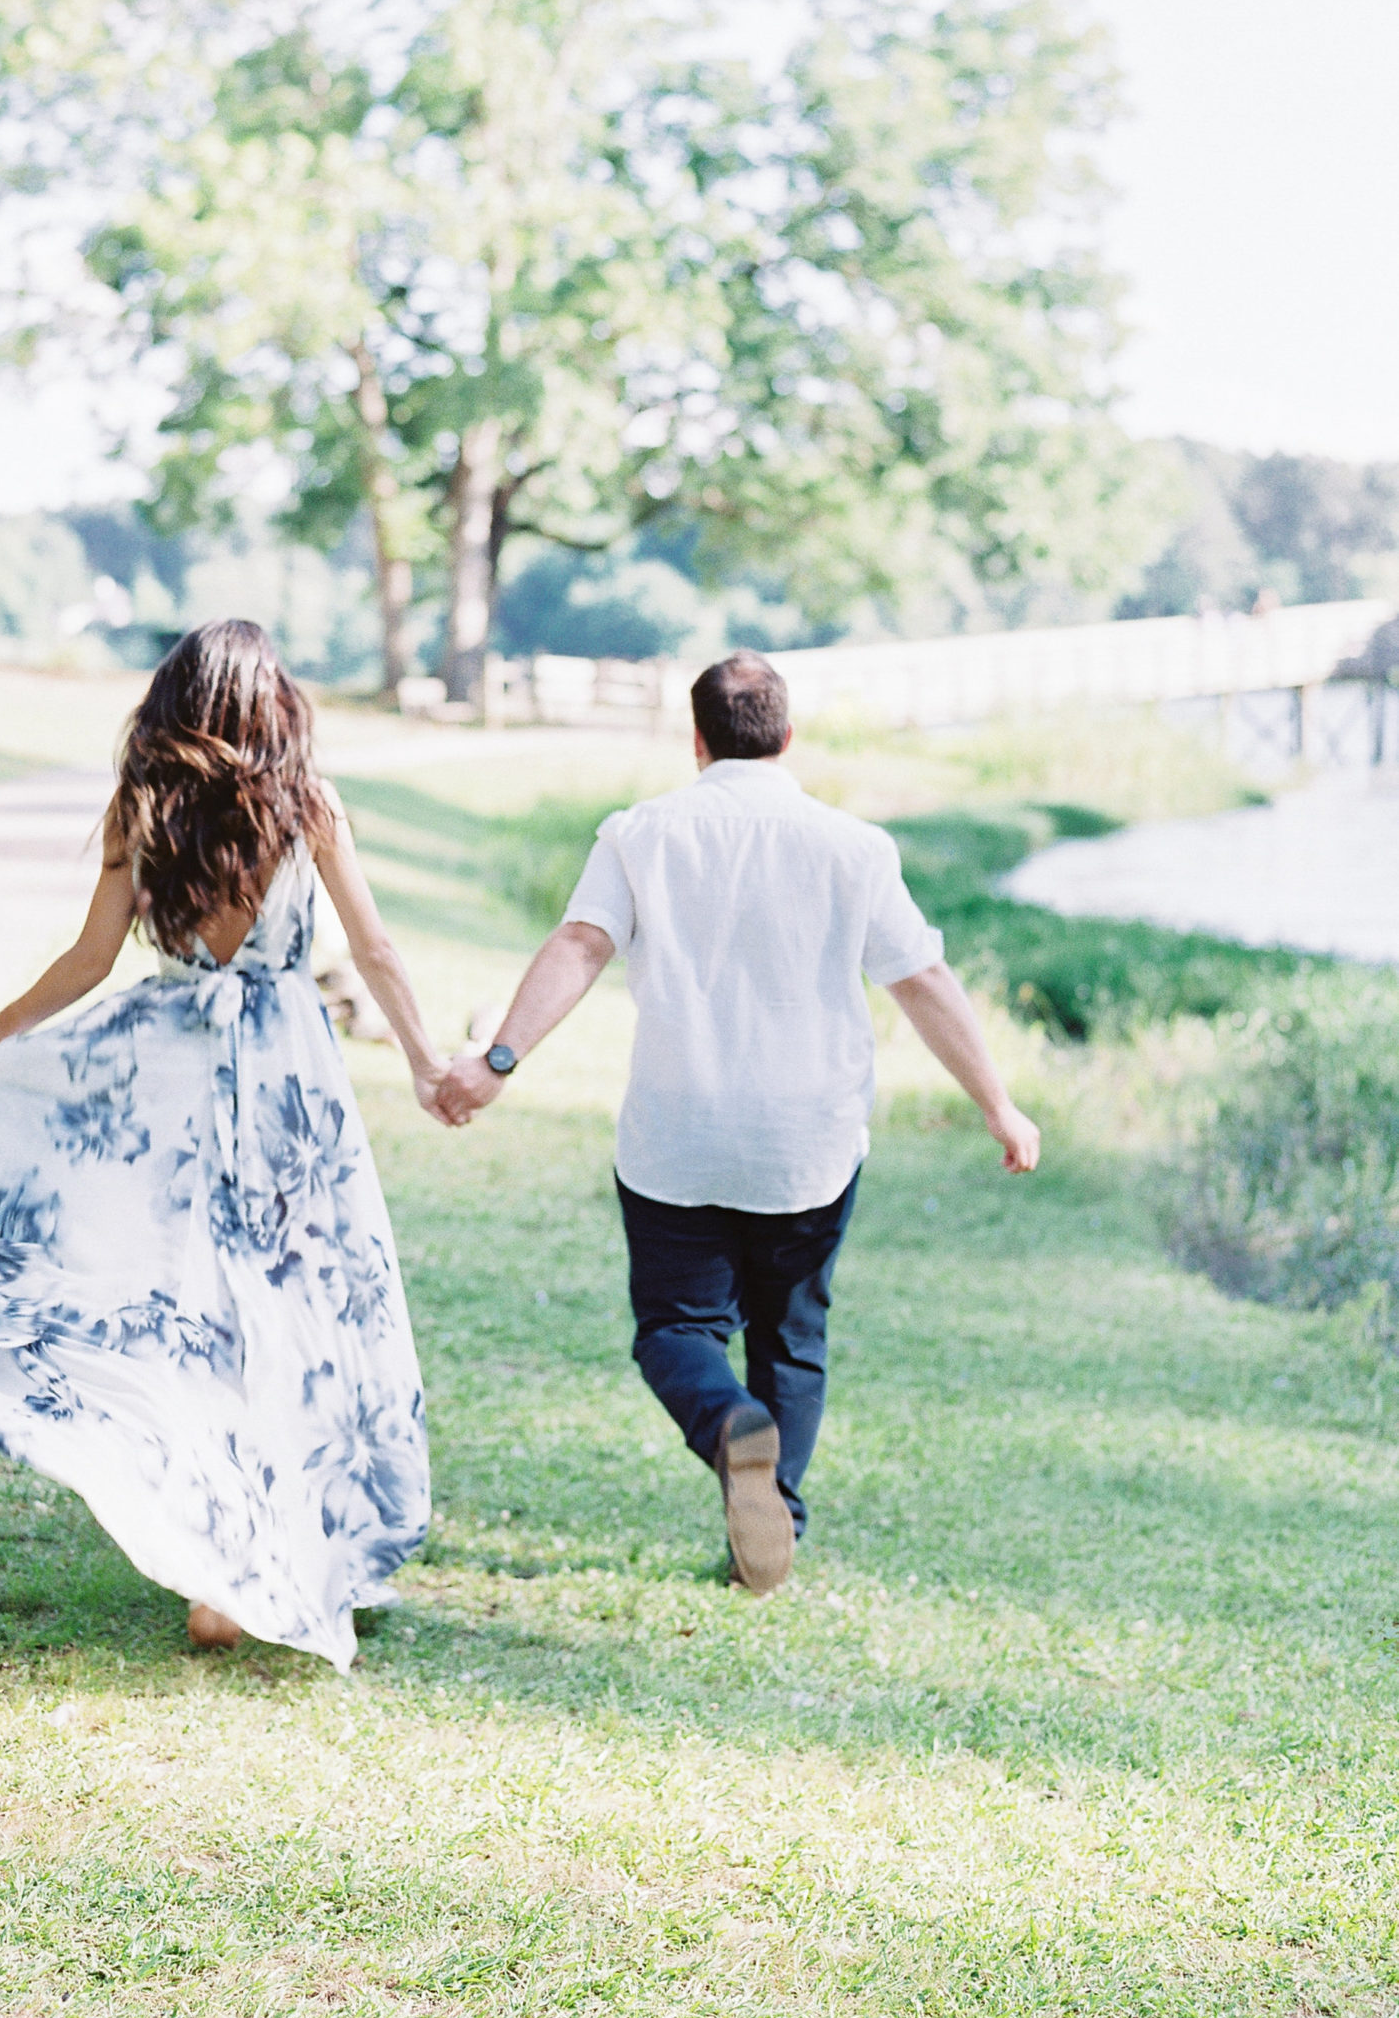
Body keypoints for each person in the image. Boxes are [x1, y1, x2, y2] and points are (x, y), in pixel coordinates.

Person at [0, 620, 447, 1671]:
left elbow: (89, 959)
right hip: (288, 1078)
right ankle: (273, 1558)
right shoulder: (309, 805)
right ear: (272, 707)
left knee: (189, 1311)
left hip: (170, 1073)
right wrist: (430, 1063)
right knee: (296, 1305)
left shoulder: (143, 807)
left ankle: (221, 1567)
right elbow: (374, 948)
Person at [434, 650, 1039, 1596]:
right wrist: (998, 1105)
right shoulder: (856, 847)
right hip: (810, 1142)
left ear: (698, 740)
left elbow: (581, 943)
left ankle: (726, 1425)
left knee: (676, 1328)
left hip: (680, 1135)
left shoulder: (640, 834)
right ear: (788, 739)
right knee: (792, 1338)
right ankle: (774, 1529)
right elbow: (922, 980)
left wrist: (498, 1060)